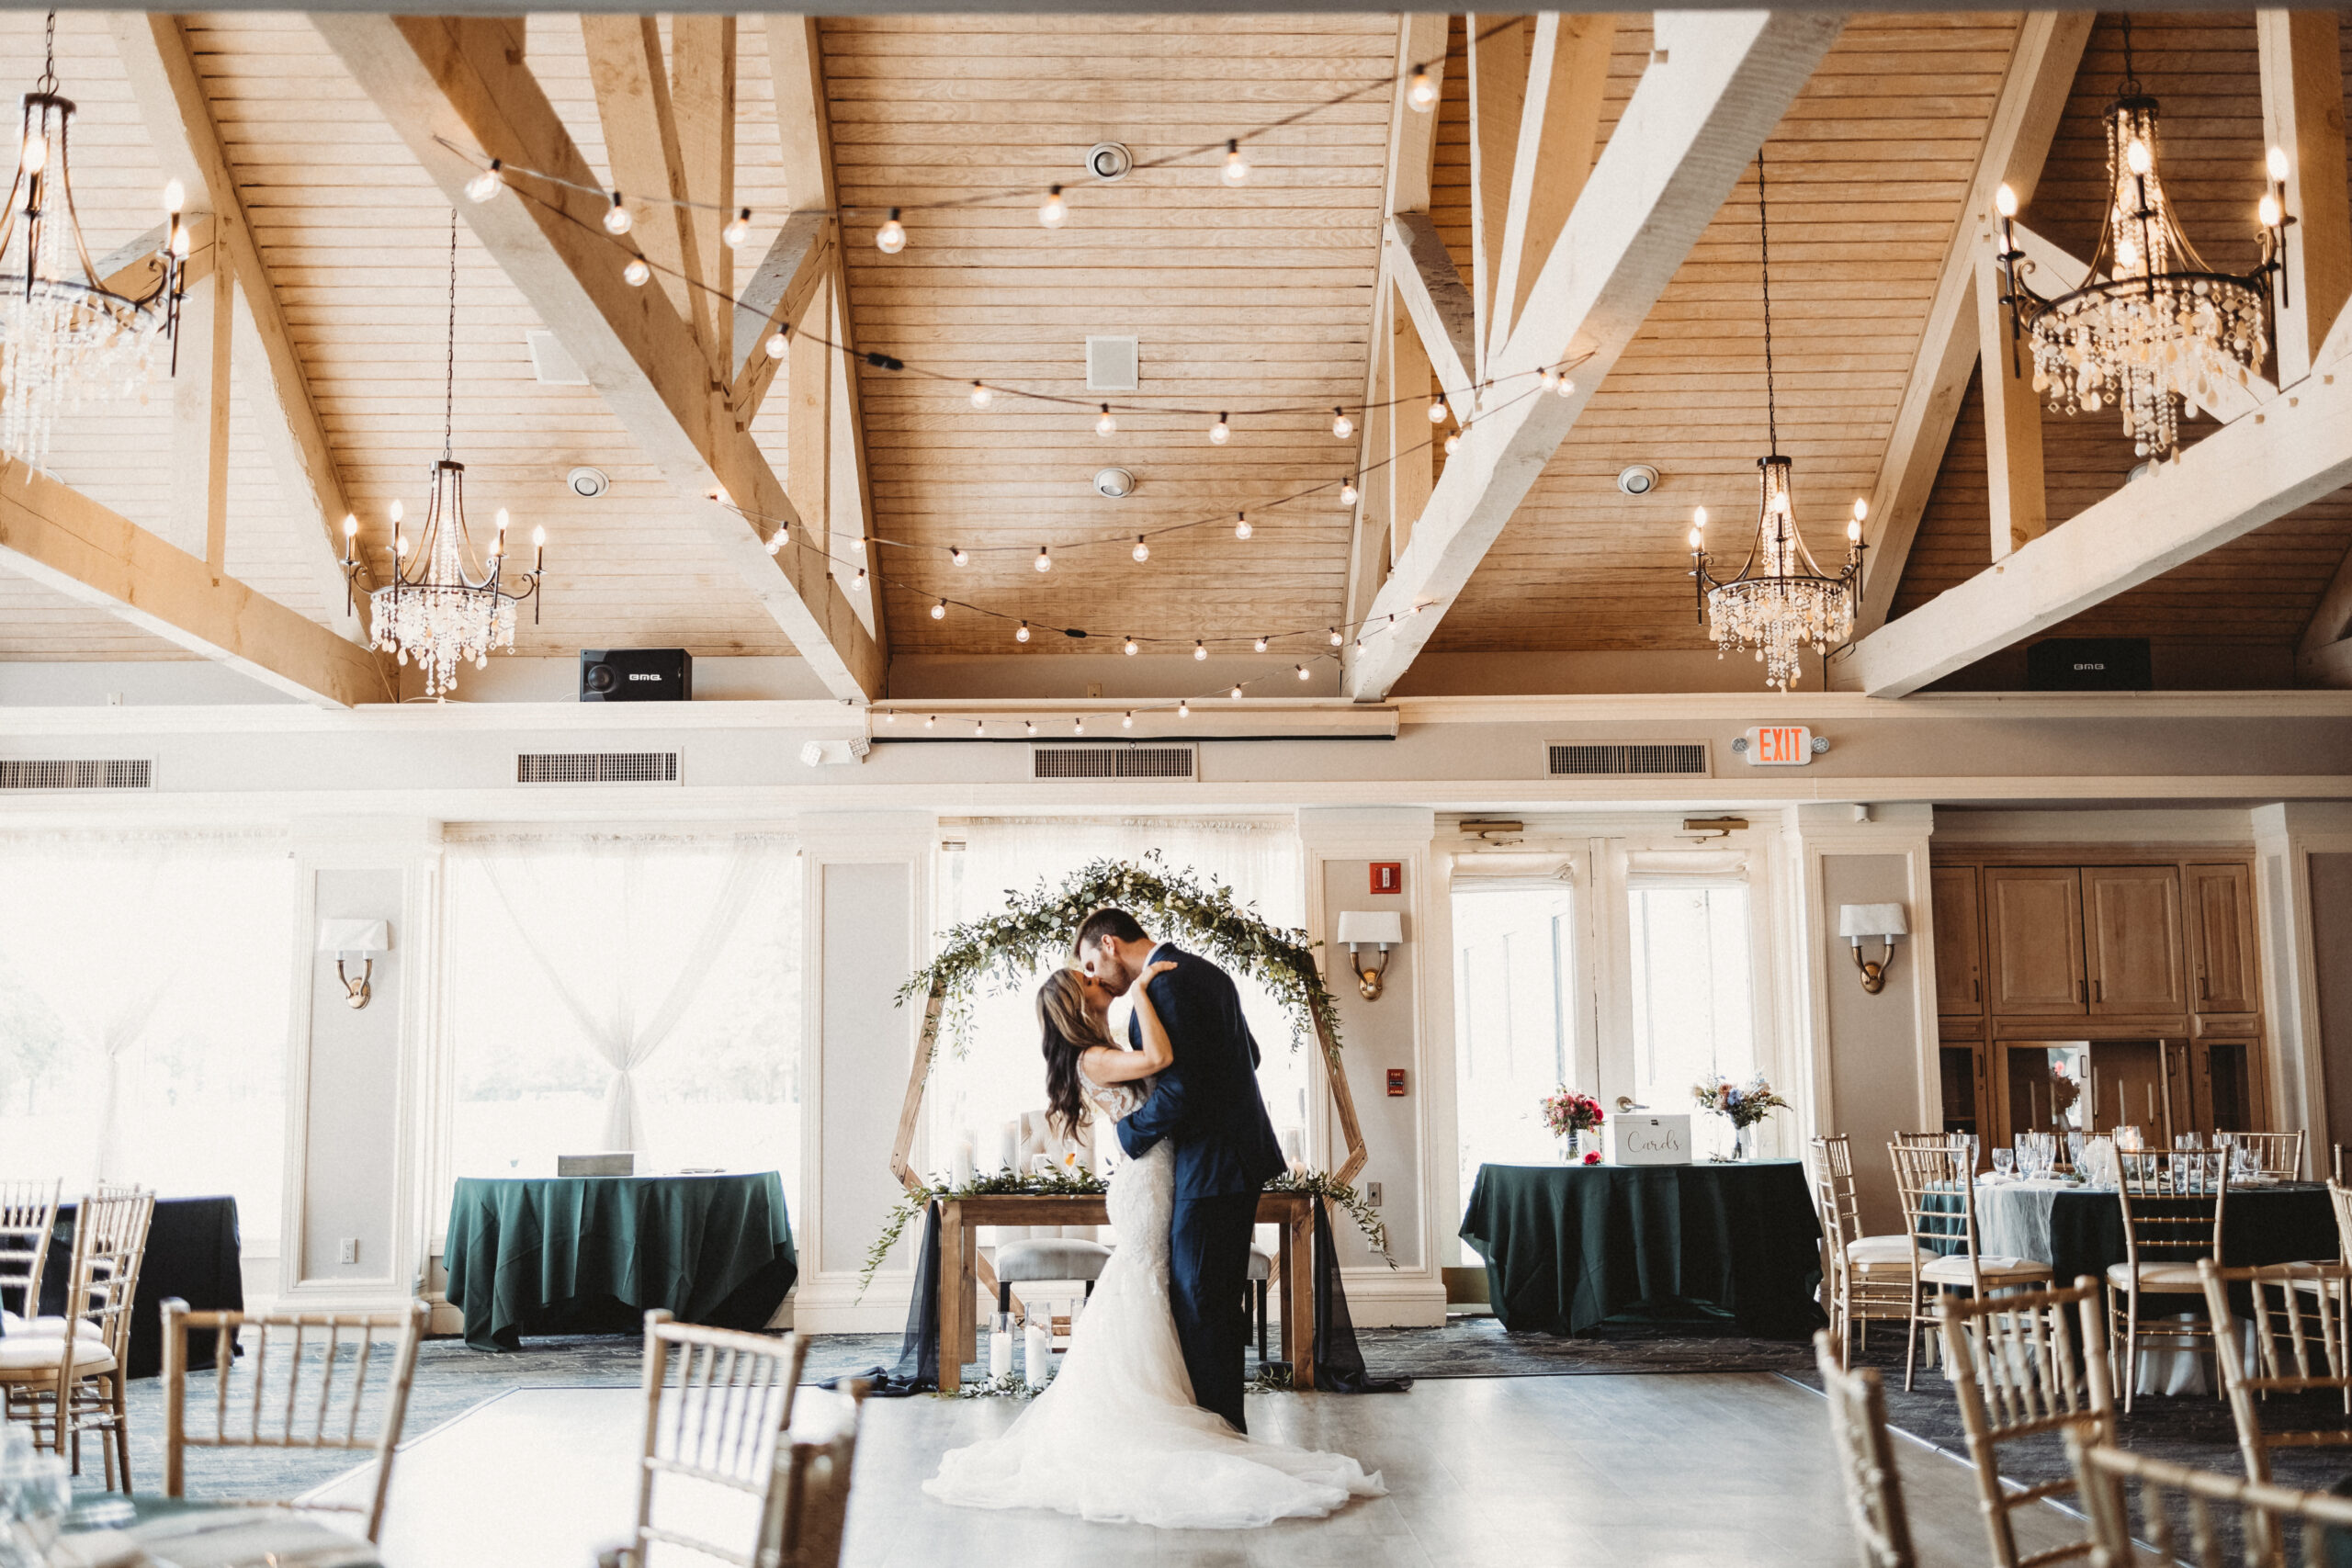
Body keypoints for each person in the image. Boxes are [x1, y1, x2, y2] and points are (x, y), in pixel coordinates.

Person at [923, 928, 1382, 1529]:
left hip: (1201, 1167)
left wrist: (1136, 1130)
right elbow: (1236, 1060)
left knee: (1197, 1299)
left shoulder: (1163, 988)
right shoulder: (1194, 979)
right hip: (1173, 1174)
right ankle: (1211, 1431)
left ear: (1109, 944)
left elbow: (1183, 1082)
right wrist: (1146, 1107)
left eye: (1091, 964)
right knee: (1191, 1297)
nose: (1095, 977)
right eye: (1085, 978)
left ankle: (1216, 1431)